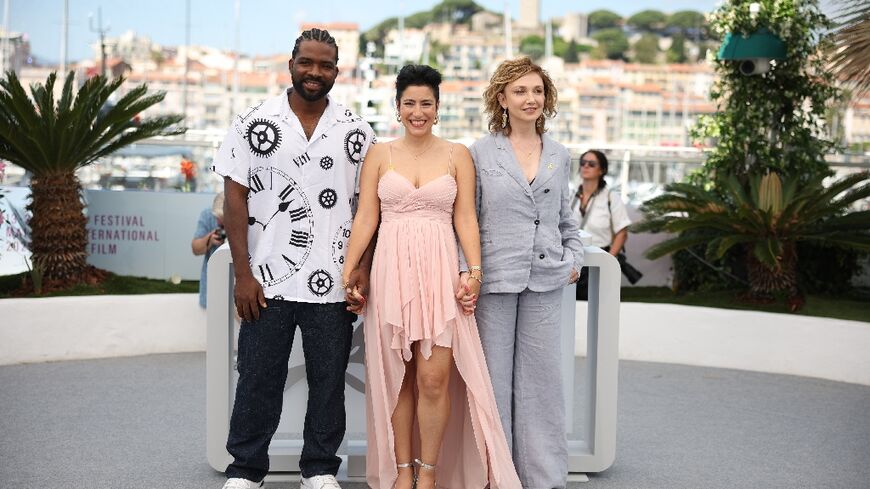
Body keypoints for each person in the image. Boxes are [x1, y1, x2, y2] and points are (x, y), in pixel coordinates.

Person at [341, 65, 521, 489]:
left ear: (437, 108)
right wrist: (350, 269)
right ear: (397, 108)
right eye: (409, 103)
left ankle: (429, 472)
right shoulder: (379, 154)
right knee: (395, 376)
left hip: (440, 271)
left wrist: (474, 272)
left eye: (426, 103)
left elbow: (467, 219)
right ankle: (402, 471)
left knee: (433, 378)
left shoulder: (457, 154)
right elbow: (367, 215)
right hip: (391, 271)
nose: (417, 111)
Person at [212, 28, 375, 489]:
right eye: (307, 62)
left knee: (328, 384)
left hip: (333, 278)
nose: (315, 73)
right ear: (291, 64)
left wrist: (361, 266)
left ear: (336, 72)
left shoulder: (356, 131)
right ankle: (245, 470)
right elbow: (235, 201)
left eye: (325, 65)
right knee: (258, 379)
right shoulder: (253, 122)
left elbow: (368, 206)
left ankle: (320, 469)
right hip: (266, 280)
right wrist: (243, 274)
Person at [468, 57, 584, 489]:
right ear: (502, 98)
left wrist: (572, 259)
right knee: (493, 383)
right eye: (520, 91)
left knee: (541, 385)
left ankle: (543, 478)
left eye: (537, 91)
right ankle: (495, 476)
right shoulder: (480, 152)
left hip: (546, 279)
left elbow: (566, 219)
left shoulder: (559, 154)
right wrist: (469, 271)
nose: (530, 98)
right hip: (495, 279)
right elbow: (469, 218)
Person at [572, 150, 636, 300]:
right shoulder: (571, 196)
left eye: (591, 164)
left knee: (596, 307)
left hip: (598, 258)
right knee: (569, 307)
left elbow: (622, 232)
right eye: (583, 163)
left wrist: (609, 261)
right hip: (573, 257)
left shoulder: (610, 197)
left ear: (602, 170)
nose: (585, 166)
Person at [191, 192, 225, 308]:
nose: (219, 223)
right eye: (217, 218)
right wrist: (209, 239)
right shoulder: (207, 215)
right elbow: (195, 249)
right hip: (211, 285)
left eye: (223, 219)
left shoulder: (246, 218)